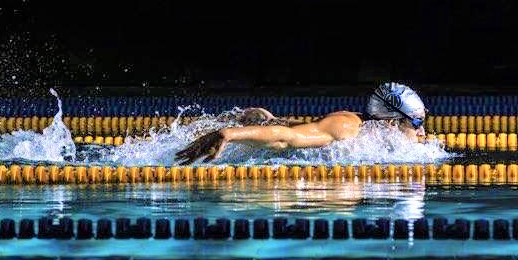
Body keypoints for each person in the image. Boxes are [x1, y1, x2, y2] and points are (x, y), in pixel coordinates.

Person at [175, 82, 427, 165]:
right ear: (392, 122)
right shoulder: (346, 127)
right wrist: (228, 134)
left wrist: (274, 121)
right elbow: (288, 139)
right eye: (416, 122)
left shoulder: (364, 130)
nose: (422, 131)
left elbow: (308, 129)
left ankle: (266, 120)